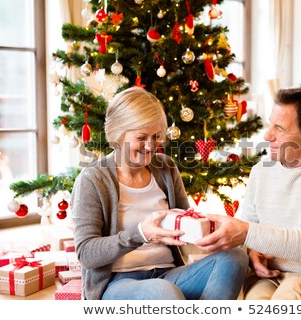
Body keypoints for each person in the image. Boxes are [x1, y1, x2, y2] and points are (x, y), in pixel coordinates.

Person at [71, 87, 248, 300]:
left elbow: (186, 222)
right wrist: (141, 235)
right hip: (118, 283)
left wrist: (214, 230)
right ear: (117, 134)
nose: (150, 145)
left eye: (156, 136)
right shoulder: (93, 179)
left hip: (168, 274)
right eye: (142, 137)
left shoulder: (165, 168)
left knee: (234, 258)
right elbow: (86, 254)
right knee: (162, 292)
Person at [195, 86, 301, 300]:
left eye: (279, 128)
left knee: (293, 291)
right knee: (258, 301)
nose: (267, 135)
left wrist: (246, 233)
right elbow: (250, 236)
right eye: (269, 124)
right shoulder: (260, 172)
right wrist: (252, 252)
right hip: (269, 278)